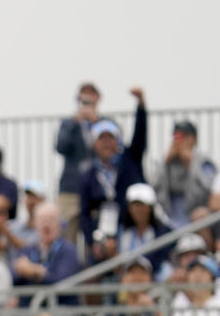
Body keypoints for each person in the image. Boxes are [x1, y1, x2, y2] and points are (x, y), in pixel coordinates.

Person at [78, 88, 147, 259]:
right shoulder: (89, 175)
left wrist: (141, 106)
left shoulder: (130, 160)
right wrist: (92, 241)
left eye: (111, 138)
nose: (107, 143)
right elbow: (84, 214)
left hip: (130, 230)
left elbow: (140, 136)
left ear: (118, 141)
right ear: (95, 144)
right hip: (101, 236)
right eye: (102, 139)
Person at [12, 202, 81, 316]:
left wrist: (37, 272)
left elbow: (63, 282)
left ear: (60, 224)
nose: (46, 224)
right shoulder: (28, 249)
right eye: (42, 220)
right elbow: (14, 274)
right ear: (35, 224)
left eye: (51, 219)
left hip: (61, 308)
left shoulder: (68, 250)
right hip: (29, 308)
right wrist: (26, 272)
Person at [56, 83, 103, 242]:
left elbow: (115, 148)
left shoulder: (105, 123)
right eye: (84, 98)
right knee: (66, 234)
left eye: (91, 97)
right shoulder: (69, 123)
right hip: (70, 189)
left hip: (97, 190)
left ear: (98, 99)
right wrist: (76, 121)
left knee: (96, 235)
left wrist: (95, 122)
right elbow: (60, 146)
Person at [152, 120, 217, 226]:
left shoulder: (204, 162)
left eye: (184, 136)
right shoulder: (166, 161)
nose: (179, 141)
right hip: (169, 216)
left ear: (194, 139)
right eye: (176, 136)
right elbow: (153, 188)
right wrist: (165, 163)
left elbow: (211, 190)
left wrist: (191, 164)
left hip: (196, 218)